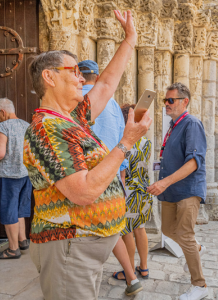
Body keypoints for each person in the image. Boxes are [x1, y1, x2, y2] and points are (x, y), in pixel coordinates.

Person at [24, 10, 152, 300]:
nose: (82, 78)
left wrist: (129, 40)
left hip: (84, 247)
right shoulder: (48, 128)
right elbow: (83, 193)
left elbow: (106, 85)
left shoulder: (72, 118)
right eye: (74, 71)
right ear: (49, 77)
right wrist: (126, 142)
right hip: (69, 247)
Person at [78, 61, 141, 288]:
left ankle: (87, 279)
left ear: (80, 76)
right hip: (112, 174)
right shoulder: (113, 104)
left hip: (85, 175)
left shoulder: (76, 100)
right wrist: (121, 178)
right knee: (114, 228)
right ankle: (131, 276)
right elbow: (119, 140)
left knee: (84, 227)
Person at [147, 82, 208, 300]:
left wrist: (164, 183)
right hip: (171, 189)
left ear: (185, 102)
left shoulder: (191, 123)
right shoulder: (174, 124)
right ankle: (196, 249)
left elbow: (194, 162)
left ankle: (200, 286)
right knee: (168, 230)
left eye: (170, 100)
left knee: (184, 234)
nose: (166, 104)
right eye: (165, 100)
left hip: (187, 189)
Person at [0, 97, 32, 259]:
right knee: (19, 209)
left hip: (7, 176)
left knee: (8, 211)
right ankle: (23, 241)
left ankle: (13, 249)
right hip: (25, 175)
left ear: (3, 112)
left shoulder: (3, 126)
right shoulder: (27, 125)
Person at [113, 104, 152, 281]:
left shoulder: (123, 142)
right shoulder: (146, 143)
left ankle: (128, 271)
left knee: (126, 231)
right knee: (140, 229)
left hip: (128, 191)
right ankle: (143, 267)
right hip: (143, 191)